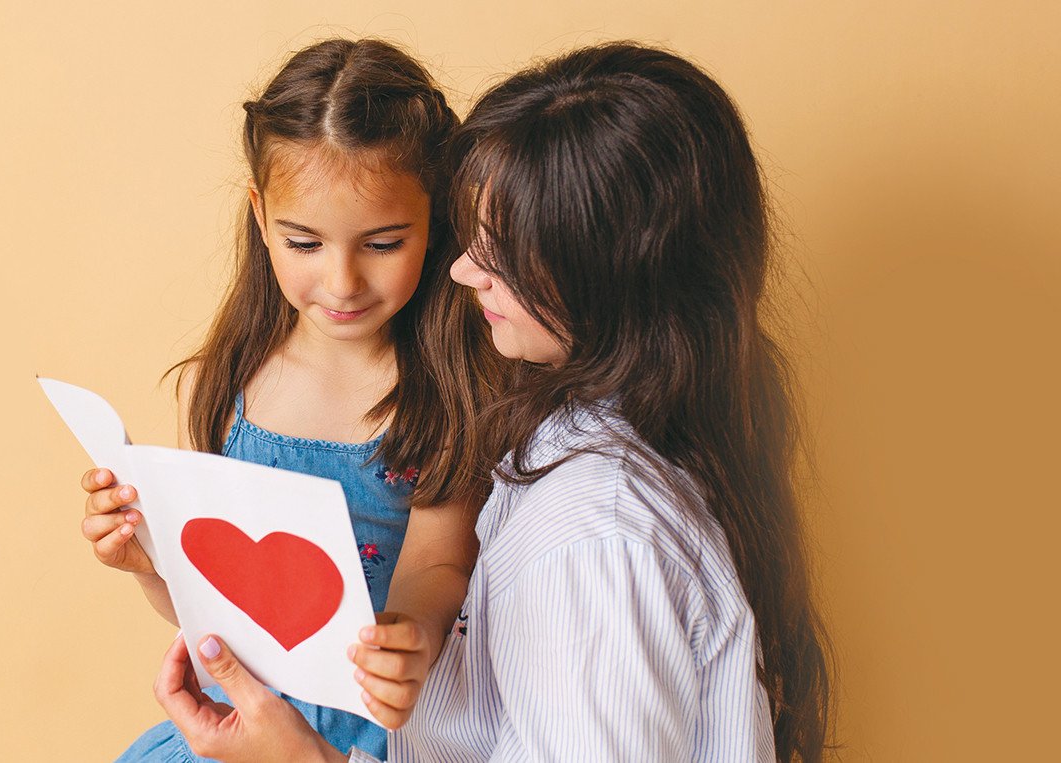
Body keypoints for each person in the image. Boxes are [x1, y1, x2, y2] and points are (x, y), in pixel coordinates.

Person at [149, 41, 834, 762]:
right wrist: (149, 558)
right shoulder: (559, 446)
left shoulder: (594, 539)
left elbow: (441, 572)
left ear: (598, 267)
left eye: (500, 246)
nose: (462, 268)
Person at [77, 38, 505, 760]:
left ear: (434, 220)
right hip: (230, 731)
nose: (342, 282)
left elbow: (439, 564)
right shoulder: (222, 383)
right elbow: (210, 607)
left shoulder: (446, 394)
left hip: (362, 739)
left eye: (383, 243)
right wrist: (144, 559)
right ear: (260, 214)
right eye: (304, 243)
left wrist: (410, 636)